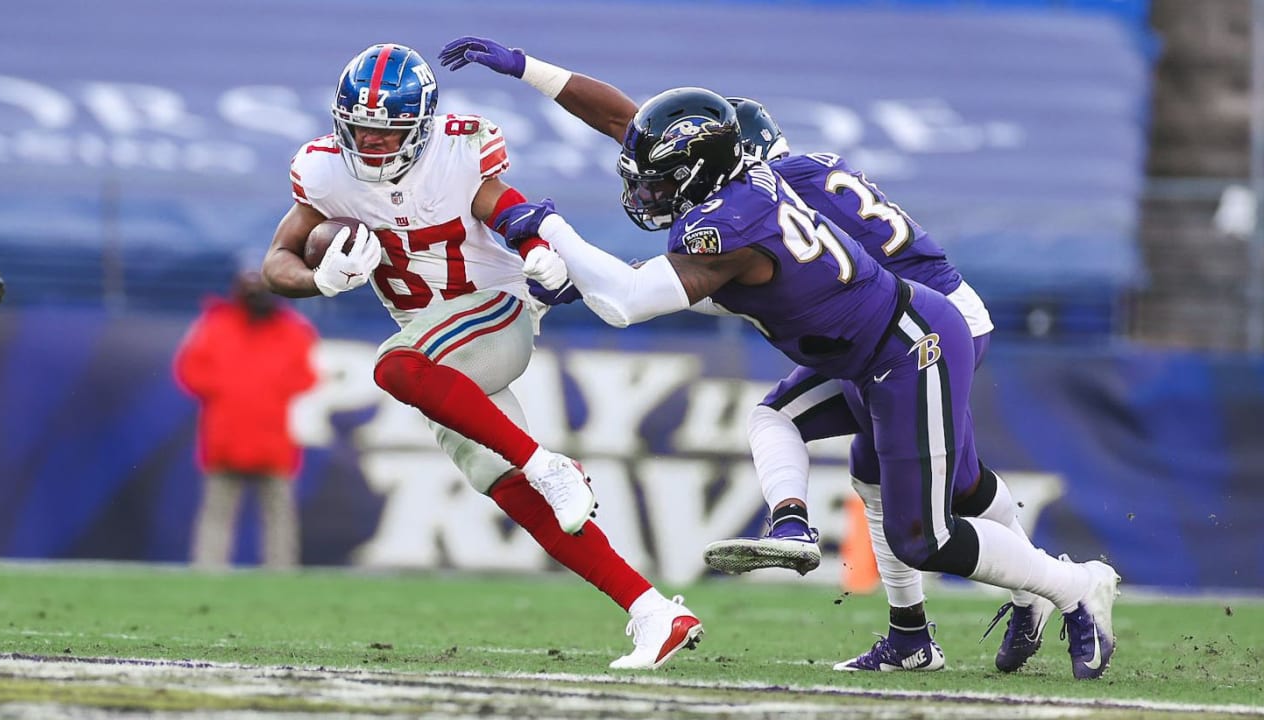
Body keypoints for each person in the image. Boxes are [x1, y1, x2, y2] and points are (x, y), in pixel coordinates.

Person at [438, 38, 1057, 673]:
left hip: (918, 324)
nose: (651, 188)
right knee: (879, 470)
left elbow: (692, 282)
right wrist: (526, 68)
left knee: (927, 491)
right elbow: (630, 129)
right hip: (887, 322)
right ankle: (899, 611)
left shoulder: (755, 201)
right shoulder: (769, 181)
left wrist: (571, 252)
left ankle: (1038, 589)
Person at [260, 43, 701, 670]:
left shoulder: (458, 151)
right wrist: (319, 282)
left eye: (388, 134)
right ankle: (654, 612)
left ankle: (551, 464)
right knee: (512, 489)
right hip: (441, 355)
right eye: (360, 130)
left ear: (422, 126)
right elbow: (277, 261)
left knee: (394, 367)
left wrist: (539, 250)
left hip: (493, 309)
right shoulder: (325, 173)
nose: (373, 145)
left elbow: (508, 207)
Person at [174, 269, 317, 568]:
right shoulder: (215, 324)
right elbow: (189, 370)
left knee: (277, 512)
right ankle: (208, 571)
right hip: (226, 436)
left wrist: (263, 389)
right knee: (218, 510)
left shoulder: (292, 330)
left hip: (271, 438)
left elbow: (306, 376)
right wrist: (231, 388)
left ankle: (281, 574)